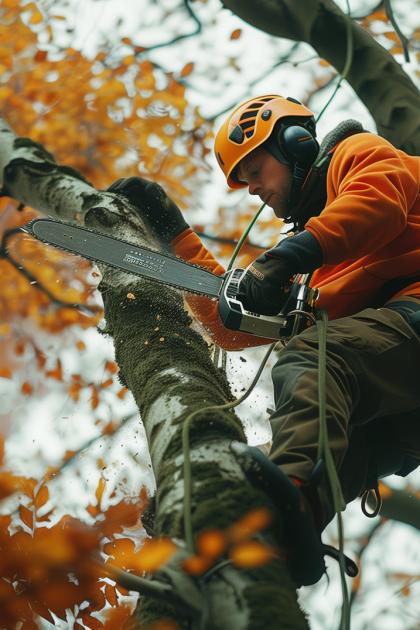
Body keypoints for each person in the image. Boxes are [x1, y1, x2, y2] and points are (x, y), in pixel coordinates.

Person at [109, 94, 420, 586]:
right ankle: (261, 544)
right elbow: (230, 327)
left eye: (255, 170)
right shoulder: (318, 264)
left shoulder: (358, 157)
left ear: (295, 144)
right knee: (337, 448)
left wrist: (283, 258)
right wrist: (173, 232)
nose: (253, 190)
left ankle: (287, 495)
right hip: (403, 402)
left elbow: (375, 208)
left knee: (318, 356)